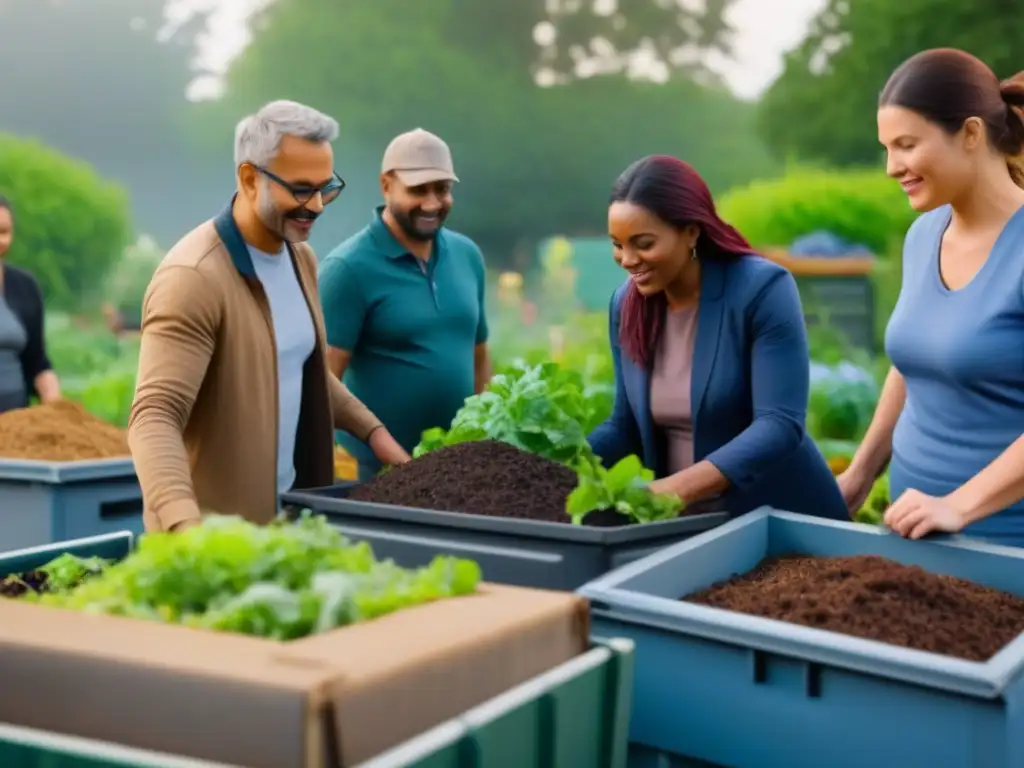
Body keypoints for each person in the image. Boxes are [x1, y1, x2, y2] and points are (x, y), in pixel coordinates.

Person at [128, 100, 409, 532]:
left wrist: (376, 436)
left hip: (285, 523)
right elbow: (155, 416)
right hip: (214, 542)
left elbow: (300, 366)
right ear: (248, 178)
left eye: (325, 187)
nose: (316, 205)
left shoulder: (302, 259)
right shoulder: (194, 277)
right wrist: (186, 529)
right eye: (300, 189)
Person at [588, 155, 847, 520]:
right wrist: (560, 466)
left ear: (691, 231)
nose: (628, 259)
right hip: (683, 525)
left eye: (643, 243)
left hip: (776, 518)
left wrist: (676, 488)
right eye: (618, 245)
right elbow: (624, 425)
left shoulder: (760, 289)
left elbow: (779, 425)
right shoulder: (626, 304)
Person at [842, 49, 1024, 545]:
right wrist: (860, 475)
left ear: (970, 133)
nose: (890, 167)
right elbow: (911, 364)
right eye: (886, 148)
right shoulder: (923, 236)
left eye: (905, 145)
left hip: (1007, 549)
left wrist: (957, 505)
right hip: (916, 540)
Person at [319, 128, 490, 480]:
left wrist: (483, 442)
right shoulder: (348, 269)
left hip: (457, 473)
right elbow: (321, 385)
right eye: (418, 190)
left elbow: (479, 356)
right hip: (373, 473)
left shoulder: (467, 256)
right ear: (386, 185)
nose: (432, 203)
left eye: (442, 189)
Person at [0, 195, 61, 412]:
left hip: (15, 424)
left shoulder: (25, 287)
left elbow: (37, 362)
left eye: (4, 232)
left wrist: (57, 408)